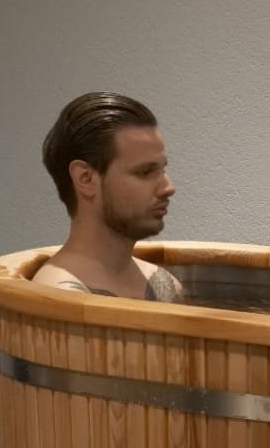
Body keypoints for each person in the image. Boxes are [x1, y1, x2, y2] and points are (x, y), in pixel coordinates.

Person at [33, 92, 183, 300]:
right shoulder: (59, 298)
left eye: (162, 169)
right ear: (86, 179)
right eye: (145, 172)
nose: (168, 187)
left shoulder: (166, 287)